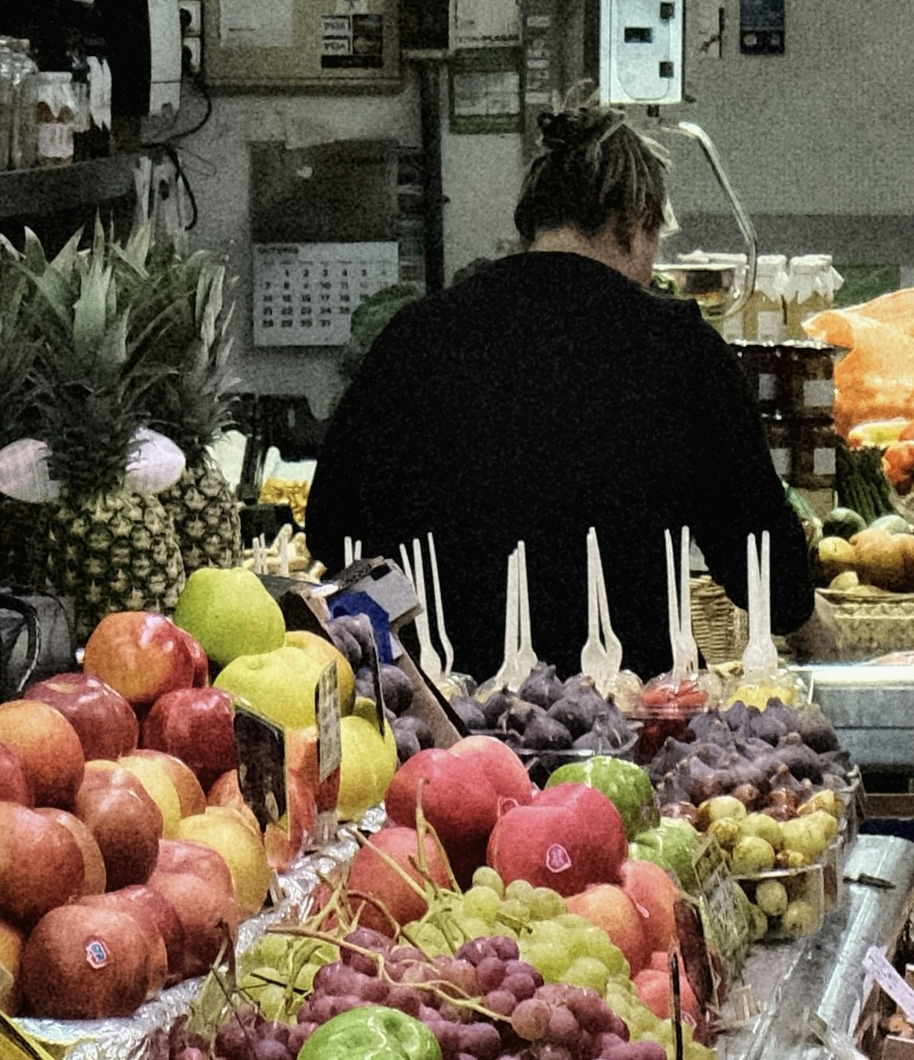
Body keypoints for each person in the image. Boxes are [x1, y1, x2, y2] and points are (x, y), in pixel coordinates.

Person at [310, 98, 820, 659]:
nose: (650, 269)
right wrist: (816, 628)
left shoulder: (414, 337)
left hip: (447, 718)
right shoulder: (679, 349)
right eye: (654, 241)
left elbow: (333, 531)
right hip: (633, 715)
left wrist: (427, 623)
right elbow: (767, 565)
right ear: (634, 220)